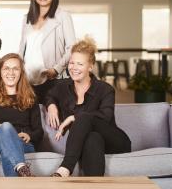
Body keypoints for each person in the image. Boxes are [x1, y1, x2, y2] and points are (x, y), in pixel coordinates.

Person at [44, 37, 131, 177]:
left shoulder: (105, 89)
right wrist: (51, 106)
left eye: (79, 64)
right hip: (93, 142)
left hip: (115, 141)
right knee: (92, 138)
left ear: (90, 67)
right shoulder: (62, 86)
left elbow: (106, 116)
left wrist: (74, 117)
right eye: (71, 63)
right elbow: (49, 96)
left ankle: (65, 168)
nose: (73, 68)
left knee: (84, 117)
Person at [0, 53, 43, 177]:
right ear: (0, 72)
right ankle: (21, 166)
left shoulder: (30, 98)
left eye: (15, 69)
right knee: (5, 127)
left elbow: (39, 132)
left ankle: (18, 173)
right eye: (6, 68)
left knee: (5, 146)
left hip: (22, 143)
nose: (11, 72)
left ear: (21, 72)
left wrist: (29, 135)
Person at [19, 0, 76, 103]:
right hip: (28, 80)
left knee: (53, 118)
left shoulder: (63, 16)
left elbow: (72, 48)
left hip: (52, 79)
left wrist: (56, 69)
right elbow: (22, 48)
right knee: (33, 119)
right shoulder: (27, 18)